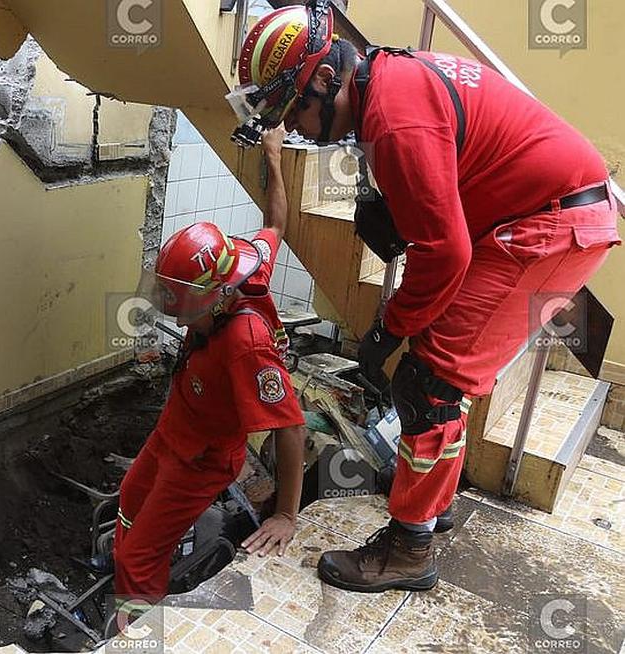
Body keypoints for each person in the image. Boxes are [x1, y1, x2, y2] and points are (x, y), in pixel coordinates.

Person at [235, 1, 620, 592]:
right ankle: (435, 504)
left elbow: (444, 255)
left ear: (322, 79)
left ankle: (408, 549)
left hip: (549, 226)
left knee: (431, 380)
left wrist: (387, 330)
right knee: (443, 376)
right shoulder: (388, 80)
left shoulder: (393, 119)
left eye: (296, 114)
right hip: (540, 215)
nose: (302, 134)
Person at [113, 125, 309, 603]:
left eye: (175, 298)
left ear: (216, 297)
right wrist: (273, 154)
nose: (165, 304)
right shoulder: (241, 265)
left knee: (138, 558)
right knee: (127, 510)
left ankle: (140, 628)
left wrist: (286, 514)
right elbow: (276, 224)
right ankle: (132, 569)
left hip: (201, 459)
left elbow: (291, 429)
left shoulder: (245, 345)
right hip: (174, 429)